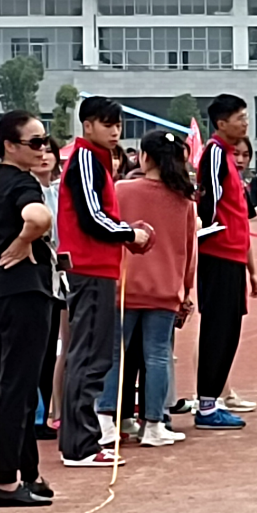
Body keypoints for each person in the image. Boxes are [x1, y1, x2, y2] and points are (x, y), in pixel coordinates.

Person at [0, 111, 57, 506]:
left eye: (45, 141)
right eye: (34, 142)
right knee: (19, 390)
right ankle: (5, 482)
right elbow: (39, 217)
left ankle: (29, 474)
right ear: (9, 146)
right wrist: (24, 241)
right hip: (22, 294)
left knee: (18, 386)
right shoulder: (20, 183)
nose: (43, 149)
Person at [57, 96, 150, 468]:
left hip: (99, 267)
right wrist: (130, 233)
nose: (114, 131)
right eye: (106, 123)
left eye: (118, 124)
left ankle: (79, 440)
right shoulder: (84, 160)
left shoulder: (95, 160)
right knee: (90, 358)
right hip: (90, 268)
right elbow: (93, 217)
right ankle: (80, 444)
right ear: (87, 125)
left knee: (91, 356)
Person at [98, 130, 196, 449]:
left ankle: (106, 420)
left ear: (144, 157)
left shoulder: (121, 190)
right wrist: (185, 290)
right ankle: (154, 423)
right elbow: (189, 250)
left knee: (115, 354)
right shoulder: (183, 200)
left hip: (124, 285)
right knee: (157, 355)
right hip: (165, 287)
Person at [195, 94, 257, 431]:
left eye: (245, 117)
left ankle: (212, 400)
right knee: (218, 329)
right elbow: (210, 201)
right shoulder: (216, 154)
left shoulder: (229, 158)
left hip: (232, 253)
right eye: (239, 118)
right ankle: (206, 404)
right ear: (221, 123)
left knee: (230, 328)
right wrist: (207, 234)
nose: (245, 123)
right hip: (218, 252)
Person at [31, 138, 66, 440]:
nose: (44, 157)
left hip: (60, 279)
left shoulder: (60, 193)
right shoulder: (26, 192)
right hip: (36, 277)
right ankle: (38, 414)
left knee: (53, 346)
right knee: (37, 349)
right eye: (38, 151)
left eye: (49, 152)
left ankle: (50, 412)